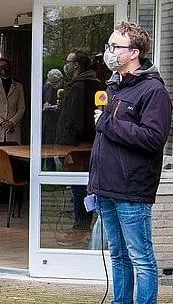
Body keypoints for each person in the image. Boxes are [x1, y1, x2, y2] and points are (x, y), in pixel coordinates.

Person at [84, 21, 172, 304]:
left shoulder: (153, 92)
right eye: (108, 45)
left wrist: (106, 122)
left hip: (133, 189)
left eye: (115, 46)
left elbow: (153, 140)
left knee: (141, 258)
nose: (109, 52)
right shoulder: (115, 87)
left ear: (134, 52)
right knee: (118, 257)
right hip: (107, 187)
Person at [55, 50, 104, 246]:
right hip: (91, 145)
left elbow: (73, 120)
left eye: (68, 61)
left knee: (78, 189)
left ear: (76, 65)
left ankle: (80, 228)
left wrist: (65, 148)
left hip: (78, 148)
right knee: (86, 188)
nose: (66, 65)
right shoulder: (96, 84)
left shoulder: (78, 88)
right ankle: (86, 228)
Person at [0, 57, 25, 146]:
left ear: (9, 67)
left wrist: (11, 122)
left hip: (13, 130)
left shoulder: (18, 87)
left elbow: (21, 108)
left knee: (13, 158)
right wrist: (2, 122)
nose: (2, 69)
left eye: (4, 66)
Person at [42, 69, 64, 144]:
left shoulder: (66, 88)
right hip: (48, 123)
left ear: (61, 79)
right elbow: (39, 102)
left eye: (56, 82)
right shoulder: (46, 87)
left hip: (60, 123)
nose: (54, 85)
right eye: (51, 82)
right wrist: (44, 106)